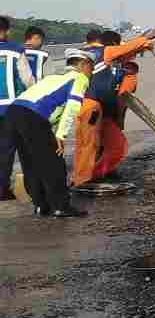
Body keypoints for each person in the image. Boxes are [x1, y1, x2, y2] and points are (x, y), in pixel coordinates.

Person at [0, 49, 93, 217]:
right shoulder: (79, 78)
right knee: (53, 162)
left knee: (30, 163)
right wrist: (61, 135)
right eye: (90, 68)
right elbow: (72, 107)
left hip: (13, 113)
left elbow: (50, 110)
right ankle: (60, 206)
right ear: (83, 64)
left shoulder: (52, 78)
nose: (91, 72)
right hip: (31, 116)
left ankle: (40, 205)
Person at [71, 28, 155, 187]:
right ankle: (81, 179)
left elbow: (128, 51)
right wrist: (146, 39)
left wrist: (143, 44)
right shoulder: (105, 52)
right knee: (89, 145)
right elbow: (127, 49)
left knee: (110, 145)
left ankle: (93, 174)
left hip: (97, 108)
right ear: (112, 44)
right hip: (92, 106)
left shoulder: (87, 54)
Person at [0, 16, 37, 200]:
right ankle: (31, 189)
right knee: (20, 149)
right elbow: (27, 79)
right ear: (5, 31)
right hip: (12, 109)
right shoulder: (15, 50)